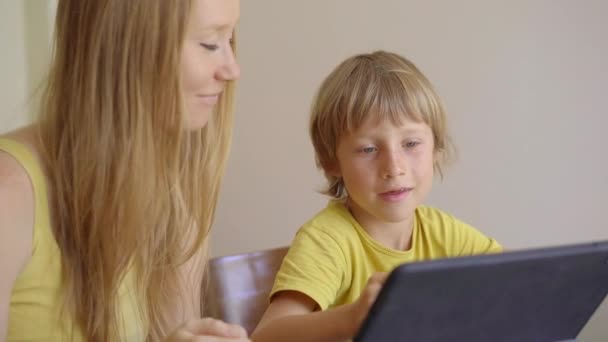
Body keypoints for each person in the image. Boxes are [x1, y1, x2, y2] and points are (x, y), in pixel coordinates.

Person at [0, 0, 250, 341]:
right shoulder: (9, 193)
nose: (232, 69)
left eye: (230, 39)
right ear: (126, 49)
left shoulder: (171, 195)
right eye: (210, 43)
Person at [252, 50, 503, 341]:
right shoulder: (327, 240)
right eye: (368, 149)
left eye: (410, 143)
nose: (394, 168)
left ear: (436, 149)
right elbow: (265, 336)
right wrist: (351, 317)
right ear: (331, 161)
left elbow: (521, 279)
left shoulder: (442, 231)